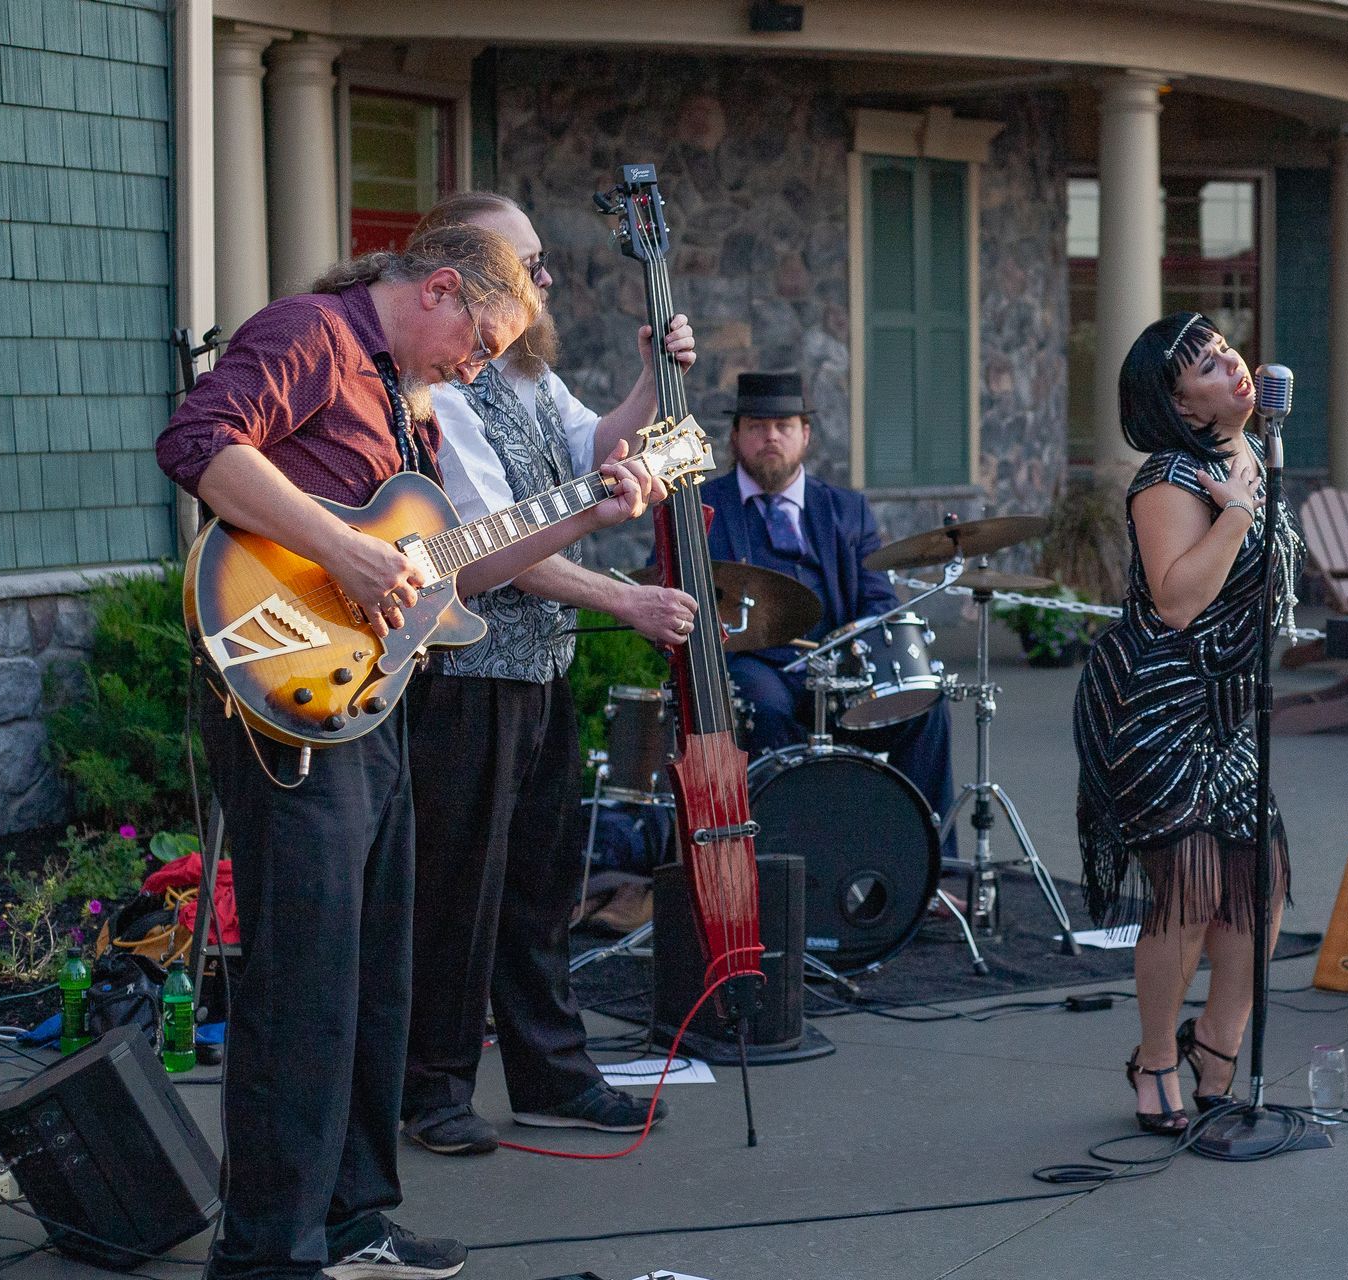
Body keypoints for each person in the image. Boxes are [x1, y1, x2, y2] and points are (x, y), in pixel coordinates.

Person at [157, 225, 666, 1280]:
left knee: (376, 976)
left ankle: (351, 1219)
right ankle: (265, 1254)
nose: (475, 369)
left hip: (373, 704)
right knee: (304, 981)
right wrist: (343, 549)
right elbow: (199, 441)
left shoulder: (401, 392)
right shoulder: (310, 332)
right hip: (283, 695)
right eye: (479, 343)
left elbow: (455, 572)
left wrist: (589, 511)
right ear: (438, 287)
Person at [396, 193, 701, 1158]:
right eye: (528, 265)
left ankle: (551, 1078)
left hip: (539, 669)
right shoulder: (441, 389)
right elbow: (493, 549)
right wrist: (627, 600)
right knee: (458, 896)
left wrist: (652, 380)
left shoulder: (527, 370)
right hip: (464, 676)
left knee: (539, 889)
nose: (545, 279)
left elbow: (597, 452)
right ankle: (432, 1092)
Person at [1073, 312, 1300, 1134]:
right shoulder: (1171, 476)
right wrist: (1236, 515)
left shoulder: (1255, 454)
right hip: (1158, 704)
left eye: (1225, 349)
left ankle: (1217, 1046)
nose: (1232, 364)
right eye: (1205, 366)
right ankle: (1155, 1060)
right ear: (1178, 405)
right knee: (1193, 886)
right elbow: (1175, 603)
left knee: (1259, 881)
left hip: (1229, 705)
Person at [694, 372, 957, 859]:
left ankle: (932, 864)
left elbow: (879, 599)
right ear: (735, 436)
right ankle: (792, 859)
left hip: (836, 665)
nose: (771, 437)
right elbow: (673, 595)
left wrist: (859, 638)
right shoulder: (701, 507)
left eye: (784, 426)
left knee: (925, 708)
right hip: (753, 665)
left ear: (806, 435)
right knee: (765, 707)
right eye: (756, 426)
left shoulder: (845, 508)